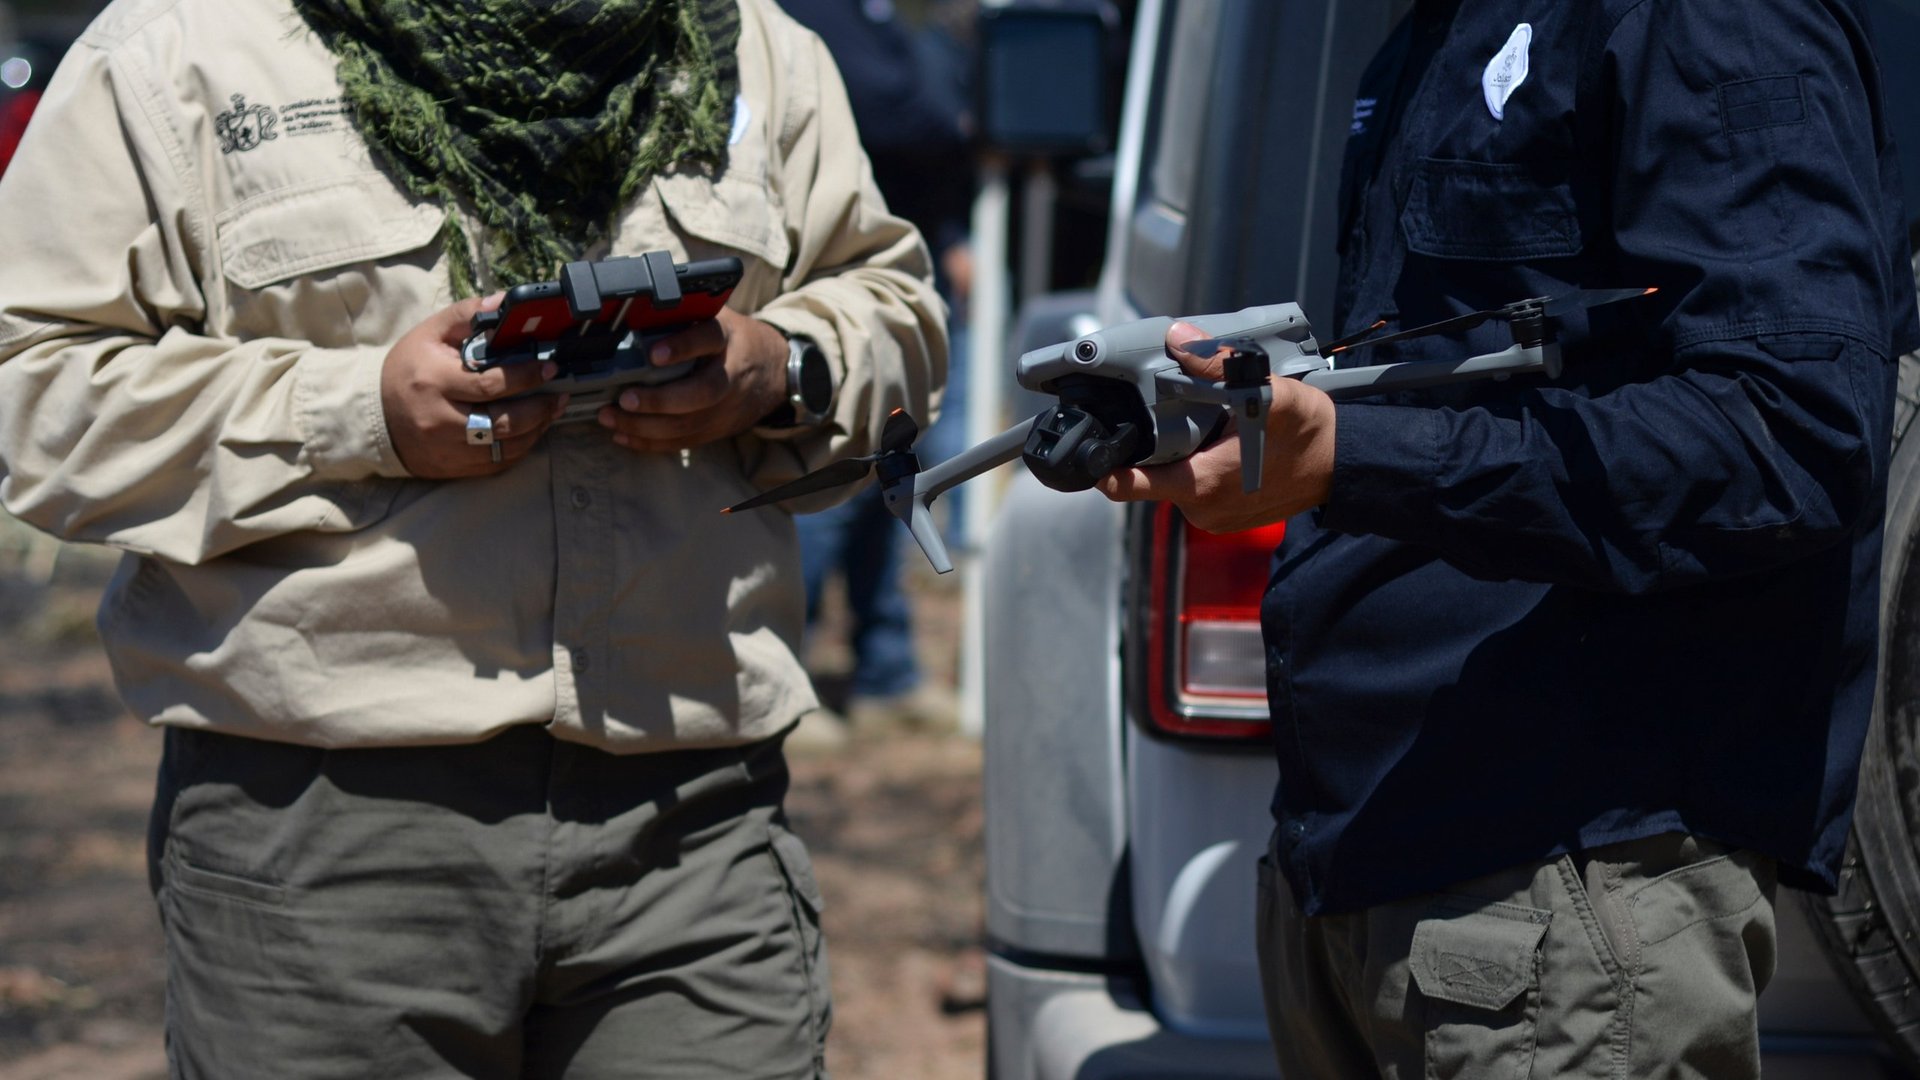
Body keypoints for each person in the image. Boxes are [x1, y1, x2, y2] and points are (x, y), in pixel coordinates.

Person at [0, 0, 944, 1075]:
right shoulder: (182, 47)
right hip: (322, 842)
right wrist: (359, 412)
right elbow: (32, 394)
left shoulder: (753, 49)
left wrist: (781, 365)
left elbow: (894, 308)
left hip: (696, 825)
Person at [1098, 0, 1920, 1076]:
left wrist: (1351, 460)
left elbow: (1790, 433)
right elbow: (1463, 370)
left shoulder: (1710, 18)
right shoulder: (1433, 32)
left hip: (1568, 891)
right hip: (1364, 867)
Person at [778, 0, 975, 733]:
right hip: (830, 284)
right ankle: (787, 682)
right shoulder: (810, 13)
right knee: (829, 481)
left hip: (911, 284)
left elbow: (932, 118)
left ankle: (885, 672)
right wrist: (958, 126)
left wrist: (953, 227)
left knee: (896, 481)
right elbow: (895, 113)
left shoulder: (894, 19)